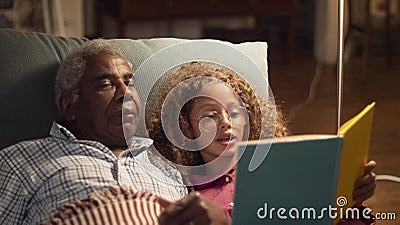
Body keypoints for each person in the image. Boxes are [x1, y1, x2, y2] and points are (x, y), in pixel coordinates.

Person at [0, 40, 230, 225]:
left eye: (130, 83)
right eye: (106, 85)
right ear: (69, 107)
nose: (125, 94)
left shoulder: (167, 164)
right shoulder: (20, 161)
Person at [145, 61, 377, 224]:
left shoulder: (280, 169)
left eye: (235, 113)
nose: (226, 122)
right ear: (184, 127)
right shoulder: (186, 190)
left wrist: (352, 202)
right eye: (210, 115)